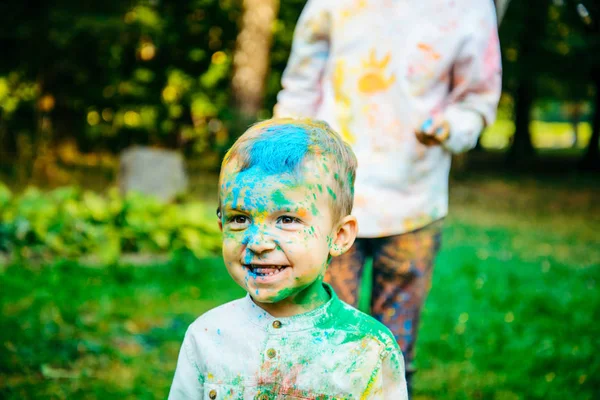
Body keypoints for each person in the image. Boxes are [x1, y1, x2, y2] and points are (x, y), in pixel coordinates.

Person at [274, 0, 502, 393]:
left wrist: (450, 127)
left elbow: (477, 100)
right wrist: (280, 160)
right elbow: (300, 85)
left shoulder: (469, 7)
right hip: (325, 200)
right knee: (319, 351)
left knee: (392, 356)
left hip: (414, 201)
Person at [168, 118, 408, 399]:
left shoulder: (368, 347)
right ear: (222, 227)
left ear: (340, 235)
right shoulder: (207, 336)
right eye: (240, 219)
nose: (257, 242)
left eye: (287, 219)